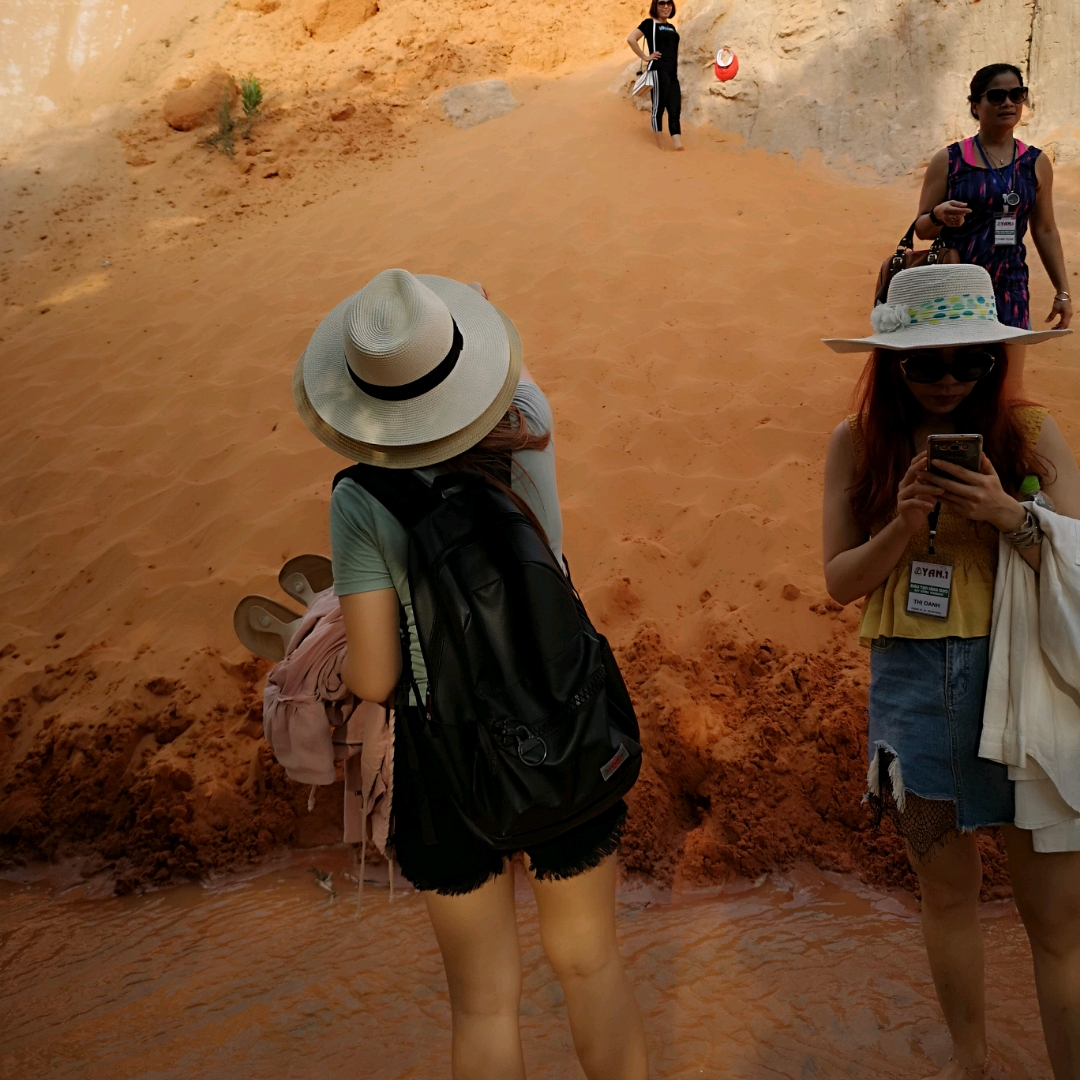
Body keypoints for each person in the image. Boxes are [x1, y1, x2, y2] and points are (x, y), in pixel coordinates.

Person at [292, 268, 649, 1080]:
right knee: (593, 971)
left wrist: (328, 643)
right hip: (564, 713)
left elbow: (378, 677)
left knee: (486, 1002)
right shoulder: (529, 415)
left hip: (445, 760)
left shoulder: (361, 496)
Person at [821, 263, 1079, 1080]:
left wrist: (1010, 515)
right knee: (945, 891)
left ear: (997, 363)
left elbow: (1075, 561)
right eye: (925, 363)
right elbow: (839, 580)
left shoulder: (1032, 432)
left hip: (1025, 683)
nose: (949, 380)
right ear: (892, 365)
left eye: (971, 361)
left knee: (1057, 916)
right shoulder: (857, 443)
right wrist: (901, 523)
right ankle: (971, 1064)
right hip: (910, 687)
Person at [914, 62, 1073, 397]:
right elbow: (922, 229)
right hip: (955, 284)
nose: (1008, 103)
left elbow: (1044, 229)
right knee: (956, 385)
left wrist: (1062, 292)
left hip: (1010, 284)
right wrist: (940, 214)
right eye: (997, 96)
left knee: (1008, 389)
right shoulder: (950, 160)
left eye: (1017, 94)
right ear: (975, 105)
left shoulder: (1036, 162)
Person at [627, 0, 682, 151]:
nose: (666, 6)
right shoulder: (649, 23)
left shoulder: (671, 27)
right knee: (658, 108)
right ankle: (660, 146)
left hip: (673, 74)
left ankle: (678, 145)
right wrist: (645, 57)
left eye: (669, 3)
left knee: (675, 108)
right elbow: (631, 39)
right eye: (661, 3)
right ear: (655, 6)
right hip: (658, 71)